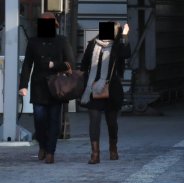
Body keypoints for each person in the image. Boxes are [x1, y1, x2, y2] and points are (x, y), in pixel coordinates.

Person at [18, 14, 74, 164]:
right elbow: (27, 65)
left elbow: (70, 63)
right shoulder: (33, 42)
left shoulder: (61, 41)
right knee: (39, 120)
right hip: (38, 86)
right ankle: (43, 145)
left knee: (54, 121)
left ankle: (50, 152)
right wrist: (23, 85)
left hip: (56, 87)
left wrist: (54, 65)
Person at [79, 21, 127, 164]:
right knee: (94, 121)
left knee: (111, 122)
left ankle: (113, 148)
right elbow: (84, 65)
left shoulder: (118, 47)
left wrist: (125, 36)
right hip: (93, 88)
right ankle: (95, 153)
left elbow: (127, 54)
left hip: (112, 90)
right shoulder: (92, 44)